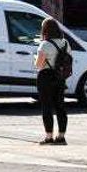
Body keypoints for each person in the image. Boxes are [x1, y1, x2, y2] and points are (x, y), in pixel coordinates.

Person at [34, 16, 70, 145]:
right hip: (60, 77)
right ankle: (61, 136)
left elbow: (39, 65)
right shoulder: (65, 43)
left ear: (45, 30)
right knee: (60, 106)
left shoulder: (45, 45)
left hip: (45, 77)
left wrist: (36, 58)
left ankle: (49, 136)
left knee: (47, 107)